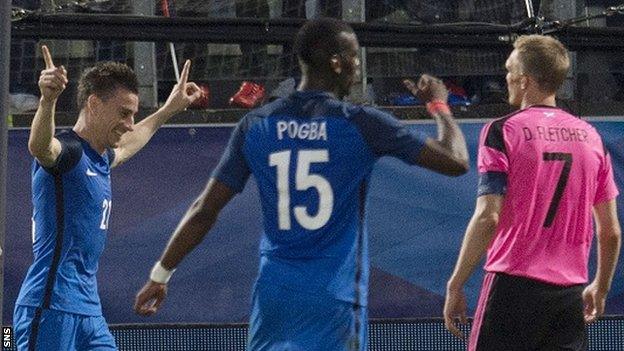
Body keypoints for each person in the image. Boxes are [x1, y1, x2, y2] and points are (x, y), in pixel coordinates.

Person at [134, 18, 469, 350]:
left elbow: (204, 209)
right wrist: (439, 105)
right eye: (353, 56)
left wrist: (160, 275)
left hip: (274, 297)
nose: (356, 66)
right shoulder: (362, 124)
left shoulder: (257, 125)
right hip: (334, 300)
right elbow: (455, 162)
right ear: (336, 62)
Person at [13, 46, 201, 351]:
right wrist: (47, 100)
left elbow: (129, 144)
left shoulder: (100, 158)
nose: (129, 123)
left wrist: (168, 110)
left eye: (132, 115)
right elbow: (40, 147)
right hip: (50, 306)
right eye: (124, 113)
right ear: (94, 104)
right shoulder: (68, 153)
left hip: (88, 311)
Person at [443, 34, 621, 351]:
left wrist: (456, 283)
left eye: (510, 70)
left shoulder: (501, 131)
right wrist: (601, 286)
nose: (506, 77)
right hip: (569, 294)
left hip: (512, 286)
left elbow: (488, 216)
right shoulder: (592, 139)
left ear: (524, 81)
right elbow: (609, 231)